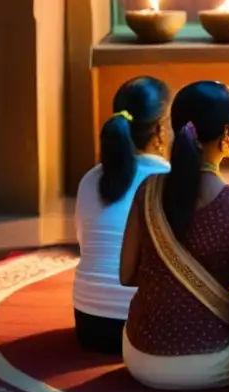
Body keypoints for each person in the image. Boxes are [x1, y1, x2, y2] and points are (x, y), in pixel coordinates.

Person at [119, 81, 229, 389]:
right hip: (213, 363)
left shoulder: (147, 190)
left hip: (140, 357)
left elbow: (127, 274)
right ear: (226, 135)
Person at [73, 77, 170, 354]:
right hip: (144, 327)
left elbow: (83, 242)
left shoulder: (90, 180)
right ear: (162, 129)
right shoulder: (169, 181)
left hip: (89, 325)